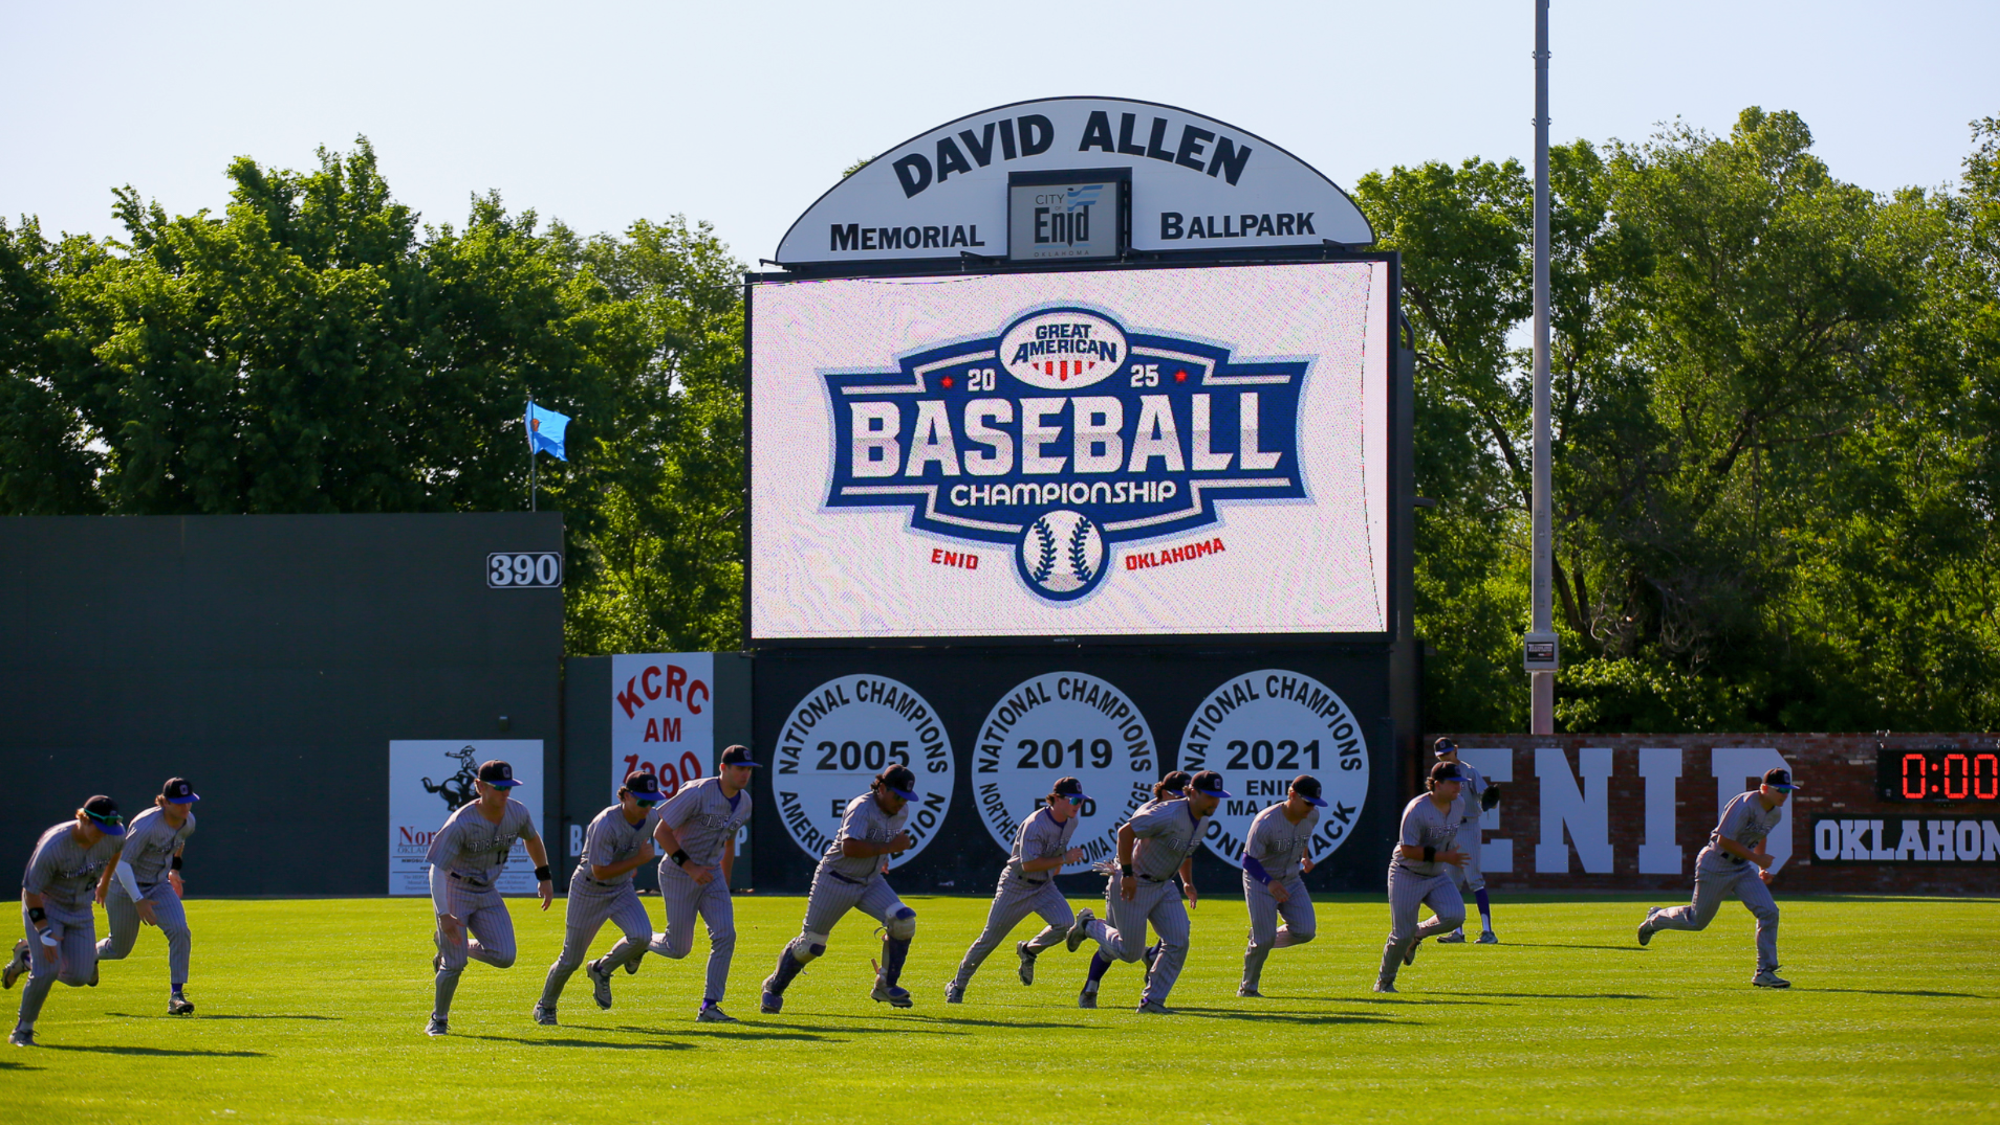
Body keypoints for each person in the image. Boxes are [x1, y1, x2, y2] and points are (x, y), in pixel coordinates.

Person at [606, 745, 758, 1023]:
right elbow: (661, 831)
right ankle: (638, 945)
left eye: (748, 769)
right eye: (740, 768)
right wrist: (690, 867)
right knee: (678, 948)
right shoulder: (698, 792)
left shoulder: (744, 801)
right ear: (723, 768)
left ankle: (709, 1006)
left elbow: (729, 840)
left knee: (726, 935)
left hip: (710, 874)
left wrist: (724, 881)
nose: (745, 774)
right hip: (678, 872)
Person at [762, 764, 921, 1013]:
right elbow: (850, 849)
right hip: (835, 879)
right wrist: (888, 849)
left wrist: (883, 858)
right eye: (897, 796)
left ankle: (886, 985)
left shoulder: (900, 811)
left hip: (869, 882)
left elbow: (881, 841)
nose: (901, 803)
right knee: (811, 945)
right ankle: (773, 987)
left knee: (903, 920)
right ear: (881, 788)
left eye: (905, 798)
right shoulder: (861, 807)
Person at [1071, 769, 1228, 1014]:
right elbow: (1125, 832)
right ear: (1193, 793)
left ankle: (1152, 1002)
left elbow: (1183, 853)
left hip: (1164, 885)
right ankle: (1089, 926)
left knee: (1178, 940)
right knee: (1130, 953)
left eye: (1217, 796)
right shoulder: (1167, 813)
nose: (1215, 802)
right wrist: (1128, 874)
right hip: (1136, 882)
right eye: (1209, 796)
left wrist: (1187, 883)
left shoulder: (1203, 820)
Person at [423, 760, 553, 1036]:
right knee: (455, 964)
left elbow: (532, 838)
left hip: (486, 890)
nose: (505, 792)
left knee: (505, 956)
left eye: (509, 786)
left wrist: (544, 876)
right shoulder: (462, 821)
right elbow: (437, 870)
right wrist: (444, 914)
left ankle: (446, 945)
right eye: (498, 787)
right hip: (455, 888)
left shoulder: (517, 812)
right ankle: (439, 1018)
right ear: (479, 786)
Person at [1638, 766, 1797, 988]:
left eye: (1788, 790)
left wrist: (1759, 867)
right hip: (1716, 862)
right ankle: (1656, 919)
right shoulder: (1745, 805)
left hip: (1741, 869)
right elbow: (1723, 840)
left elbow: (1761, 835)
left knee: (1769, 912)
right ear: (1764, 788)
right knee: (1696, 921)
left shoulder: (1776, 813)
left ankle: (1765, 971)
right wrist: (1757, 859)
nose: (1784, 795)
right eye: (1780, 789)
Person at [534, 771, 662, 1025]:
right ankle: (545, 1006)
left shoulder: (651, 818)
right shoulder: (605, 823)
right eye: (643, 801)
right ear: (625, 795)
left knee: (642, 936)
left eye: (652, 801)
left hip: (620, 888)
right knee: (571, 959)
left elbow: (640, 843)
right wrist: (637, 860)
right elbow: (600, 871)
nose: (648, 807)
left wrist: (632, 864)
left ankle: (601, 969)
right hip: (589, 889)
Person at [945, 776, 1089, 1003]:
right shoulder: (1036, 824)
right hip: (1017, 885)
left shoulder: (1072, 821)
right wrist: (1063, 858)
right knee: (990, 939)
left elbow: (1053, 856)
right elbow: (1028, 864)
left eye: (1081, 801)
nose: (1077, 806)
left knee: (1064, 924)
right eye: (1073, 800)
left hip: (1043, 886)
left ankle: (1029, 951)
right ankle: (957, 984)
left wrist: (1057, 864)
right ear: (1057, 799)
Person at [6, 796, 126, 1047]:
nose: (103, 835)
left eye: (108, 830)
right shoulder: (54, 845)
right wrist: (45, 933)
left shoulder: (113, 835)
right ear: (83, 818)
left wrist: (105, 882)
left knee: (80, 976)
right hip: (47, 904)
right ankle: (23, 1030)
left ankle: (26, 958)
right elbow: (31, 892)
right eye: (99, 828)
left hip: (81, 906)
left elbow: (117, 849)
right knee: (47, 969)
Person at [93, 777, 201, 1015]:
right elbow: (122, 864)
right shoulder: (146, 825)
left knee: (180, 931)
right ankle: (91, 955)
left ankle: (177, 995)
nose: (185, 807)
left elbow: (178, 844)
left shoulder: (187, 821)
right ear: (164, 802)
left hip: (157, 884)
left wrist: (174, 870)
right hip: (123, 887)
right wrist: (138, 900)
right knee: (119, 950)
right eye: (179, 803)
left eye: (189, 802)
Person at [1375, 761, 1469, 993]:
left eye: (1460, 783)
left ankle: (1416, 934)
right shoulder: (1417, 809)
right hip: (1407, 873)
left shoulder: (1458, 804)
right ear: (1436, 784)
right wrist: (1445, 856)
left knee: (1455, 915)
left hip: (1436, 874)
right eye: (1453, 783)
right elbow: (1407, 850)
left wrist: (1446, 855)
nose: (1458, 788)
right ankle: (1384, 982)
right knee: (1400, 934)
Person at [1238, 774, 1325, 997]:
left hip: (1291, 879)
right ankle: (1248, 989)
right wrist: (1269, 882)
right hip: (1261, 880)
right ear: (1292, 795)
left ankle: (1260, 936)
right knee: (1264, 939)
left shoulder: (1311, 815)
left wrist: (1305, 857)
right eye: (1307, 801)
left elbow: (1303, 838)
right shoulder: (1265, 822)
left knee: (1306, 931)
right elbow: (1248, 860)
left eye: (1314, 803)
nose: (1311, 807)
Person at [1431, 739, 1501, 944]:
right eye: (1442, 755)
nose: (1445, 757)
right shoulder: (1439, 772)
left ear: (1456, 750)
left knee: (1474, 879)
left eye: (1448, 753)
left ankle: (1488, 931)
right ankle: (1458, 932)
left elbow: (1486, 799)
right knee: (1452, 883)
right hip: (1448, 827)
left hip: (1468, 826)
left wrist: (1489, 802)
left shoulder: (1469, 772)